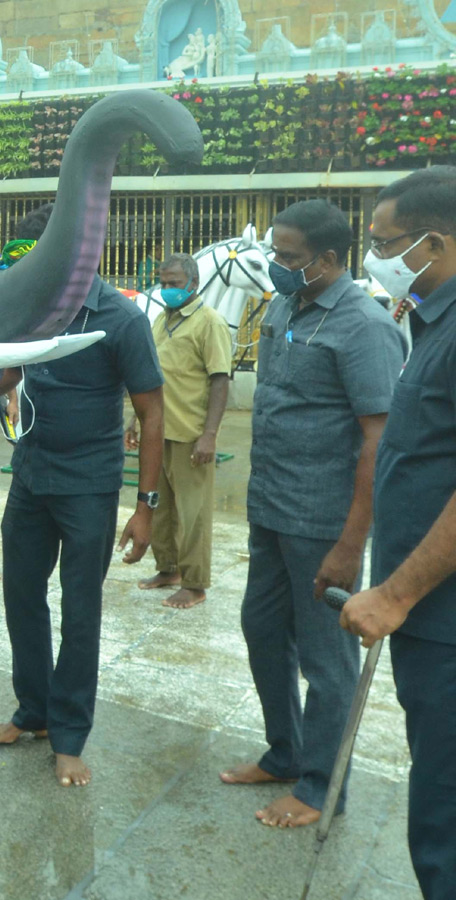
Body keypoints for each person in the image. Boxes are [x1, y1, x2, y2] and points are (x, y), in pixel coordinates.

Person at [220, 199, 406, 829]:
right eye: (275, 252)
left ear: (329, 259)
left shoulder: (364, 327)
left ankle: (322, 785)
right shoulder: (284, 305)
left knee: (327, 662)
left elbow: (378, 441)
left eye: (290, 258)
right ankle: (286, 752)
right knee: (262, 630)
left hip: (323, 521)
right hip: (271, 506)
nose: (277, 266)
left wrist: (352, 544)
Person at [0, 202, 165, 787]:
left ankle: (69, 736)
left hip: (88, 486)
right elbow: (10, 374)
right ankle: (33, 712)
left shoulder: (119, 317)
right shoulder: (33, 307)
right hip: (31, 477)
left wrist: (146, 506)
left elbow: (151, 411)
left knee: (79, 611)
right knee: (21, 599)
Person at [339, 166, 456, 896]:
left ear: (434, 242)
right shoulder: (430, 318)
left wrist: (397, 593)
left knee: (445, 816)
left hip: (443, 618)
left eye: (386, 243)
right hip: (431, 618)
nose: (374, 257)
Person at [128, 253, 232, 609]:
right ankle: (168, 568)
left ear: (194, 283)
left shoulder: (209, 323)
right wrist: (134, 421)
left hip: (191, 432)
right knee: (161, 508)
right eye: (164, 283)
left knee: (193, 513)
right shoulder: (161, 321)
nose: (168, 289)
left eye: (174, 283)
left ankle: (195, 582)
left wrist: (210, 435)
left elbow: (220, 380)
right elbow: (151, 377)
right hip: (160, 431)